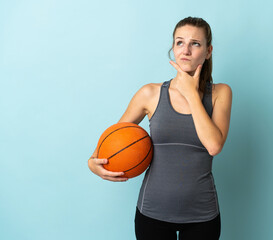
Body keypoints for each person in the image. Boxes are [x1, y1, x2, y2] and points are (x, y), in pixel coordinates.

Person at [88, 16, 232, 240]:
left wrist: (191, 93)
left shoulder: (220, 93)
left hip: (202, 215)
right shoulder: (150, 93)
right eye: (179, 42)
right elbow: (113, 140)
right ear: (173, 47)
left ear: (208, 51)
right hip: (152, 212)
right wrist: (92, 162)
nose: (186, 50)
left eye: (195, 43)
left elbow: (214, 146)